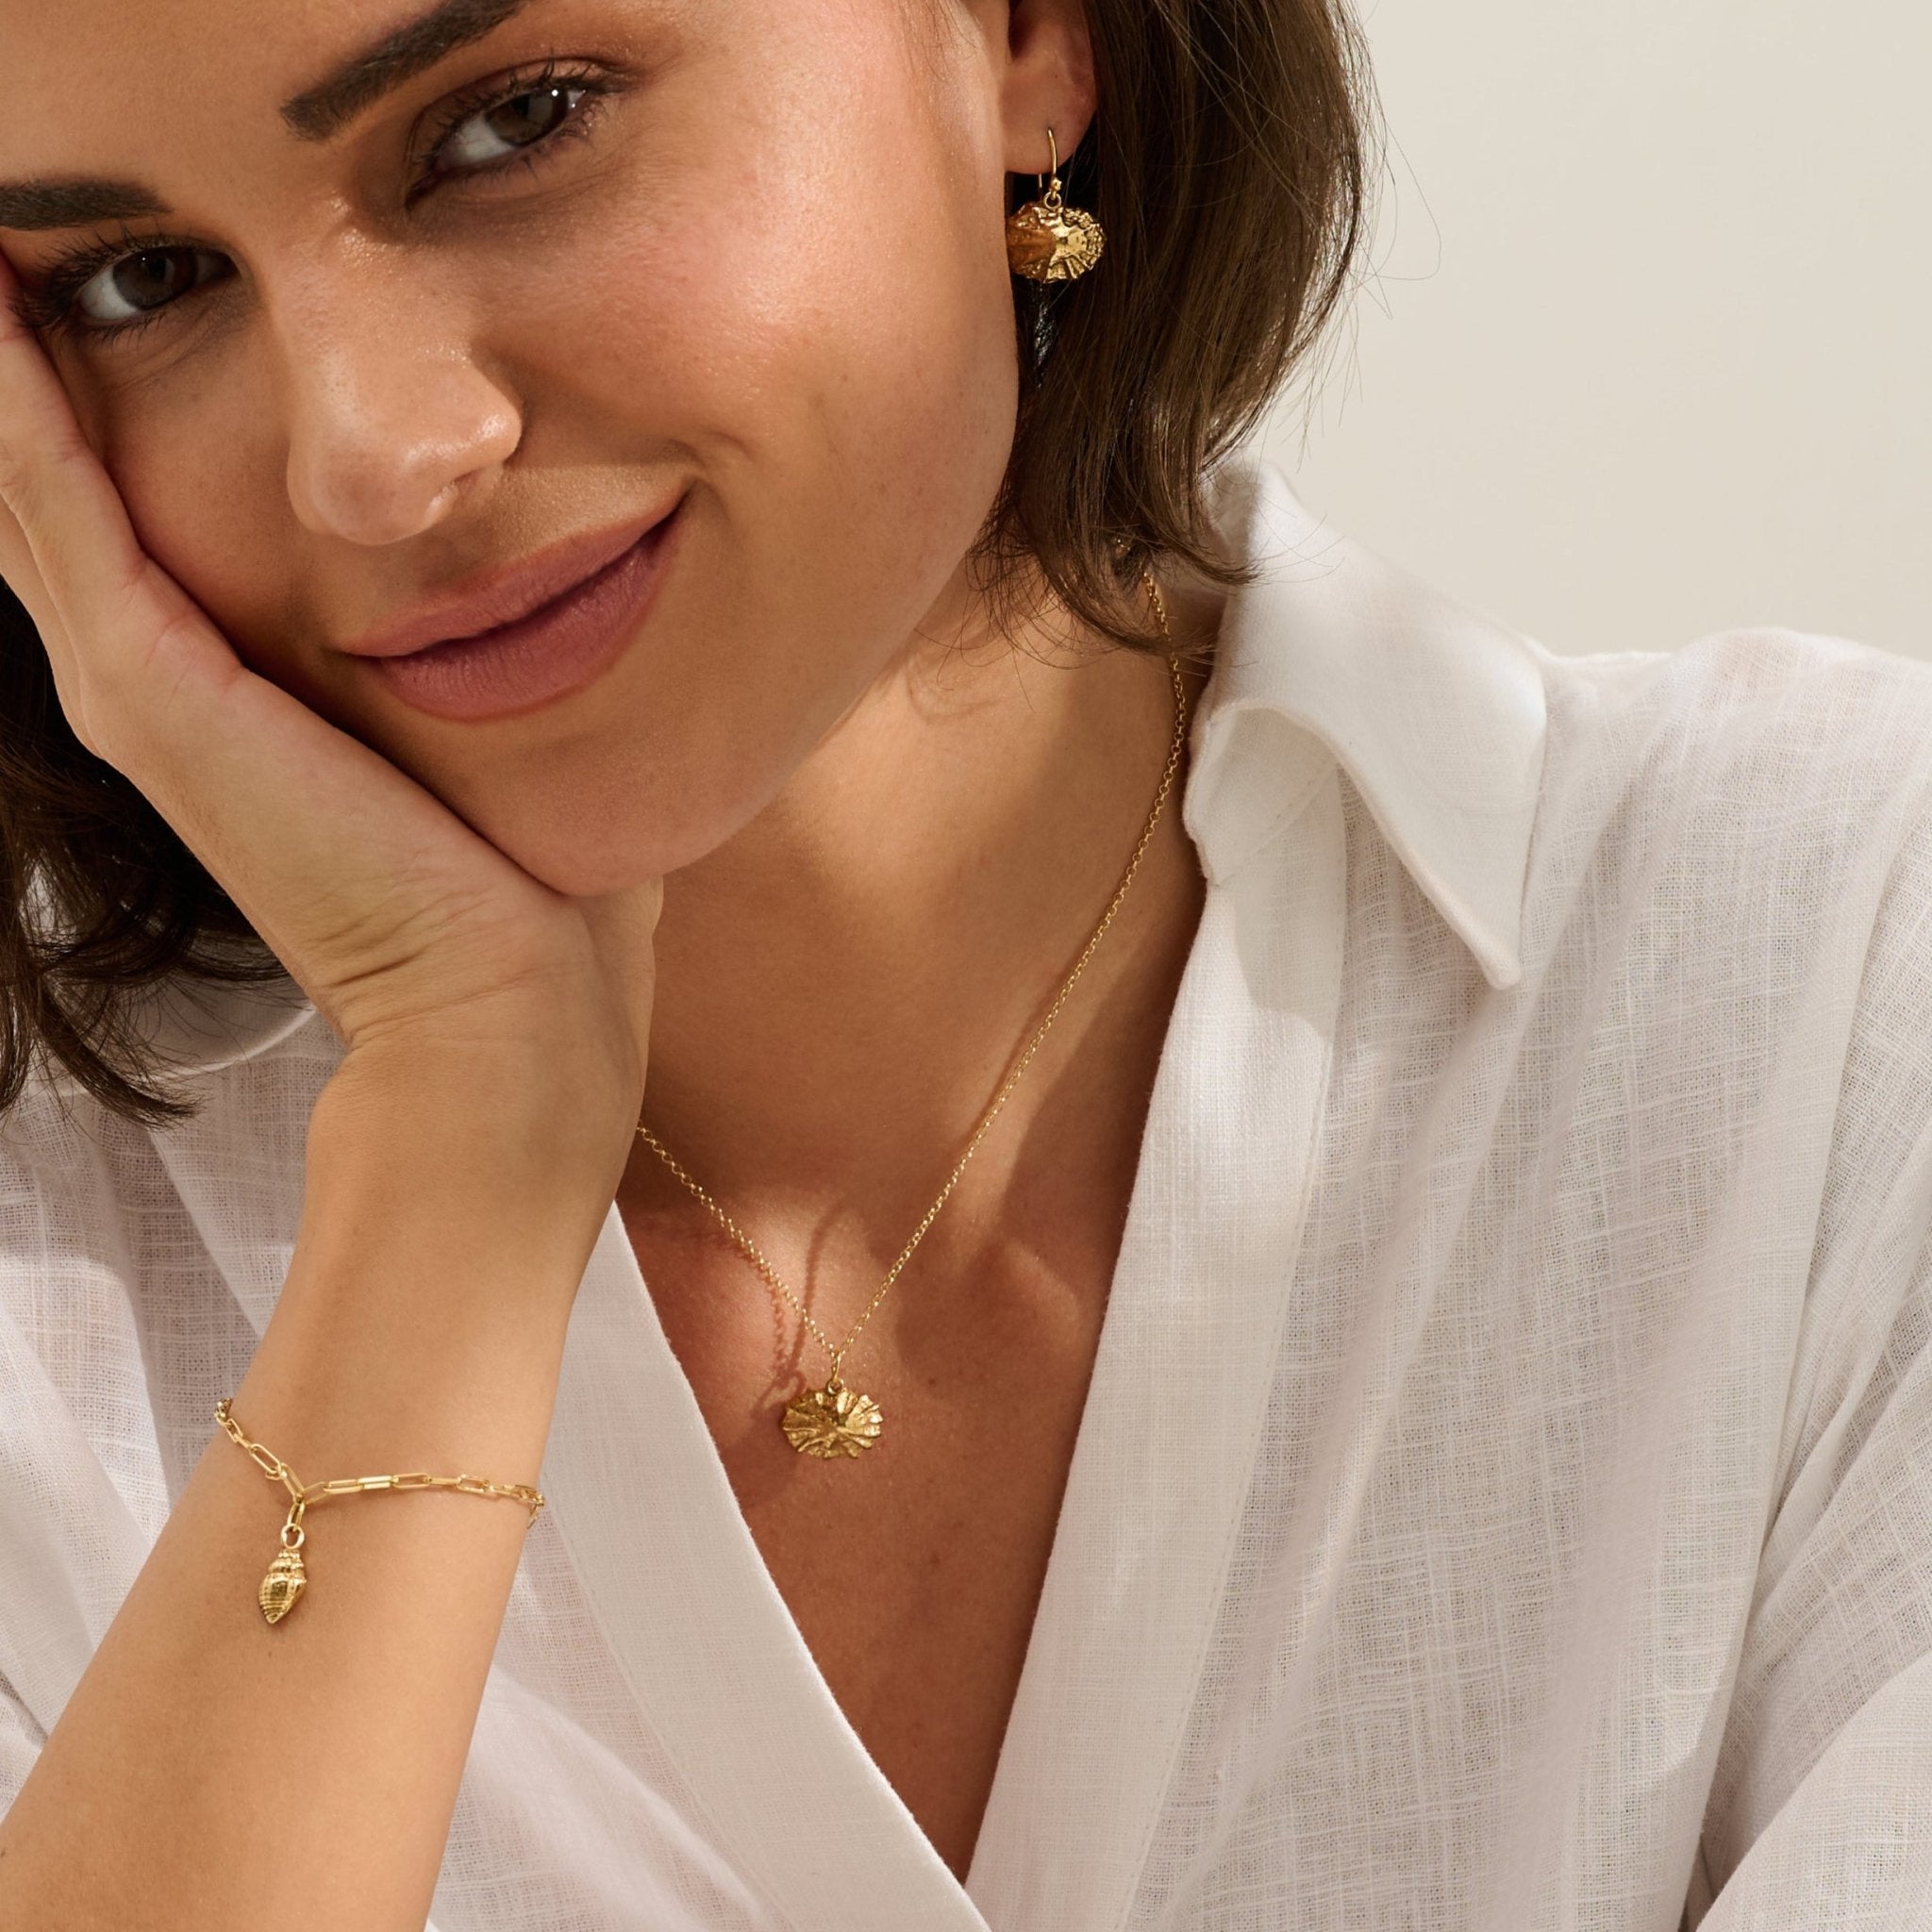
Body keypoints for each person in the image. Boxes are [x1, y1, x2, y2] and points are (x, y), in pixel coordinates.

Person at [0, 0, 1928, 1926]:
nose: (378, 452)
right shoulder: (42, 1281)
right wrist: (451, 1161)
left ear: (1028, 35)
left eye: (517, 124)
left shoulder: (1832, 989)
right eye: (137, 280)